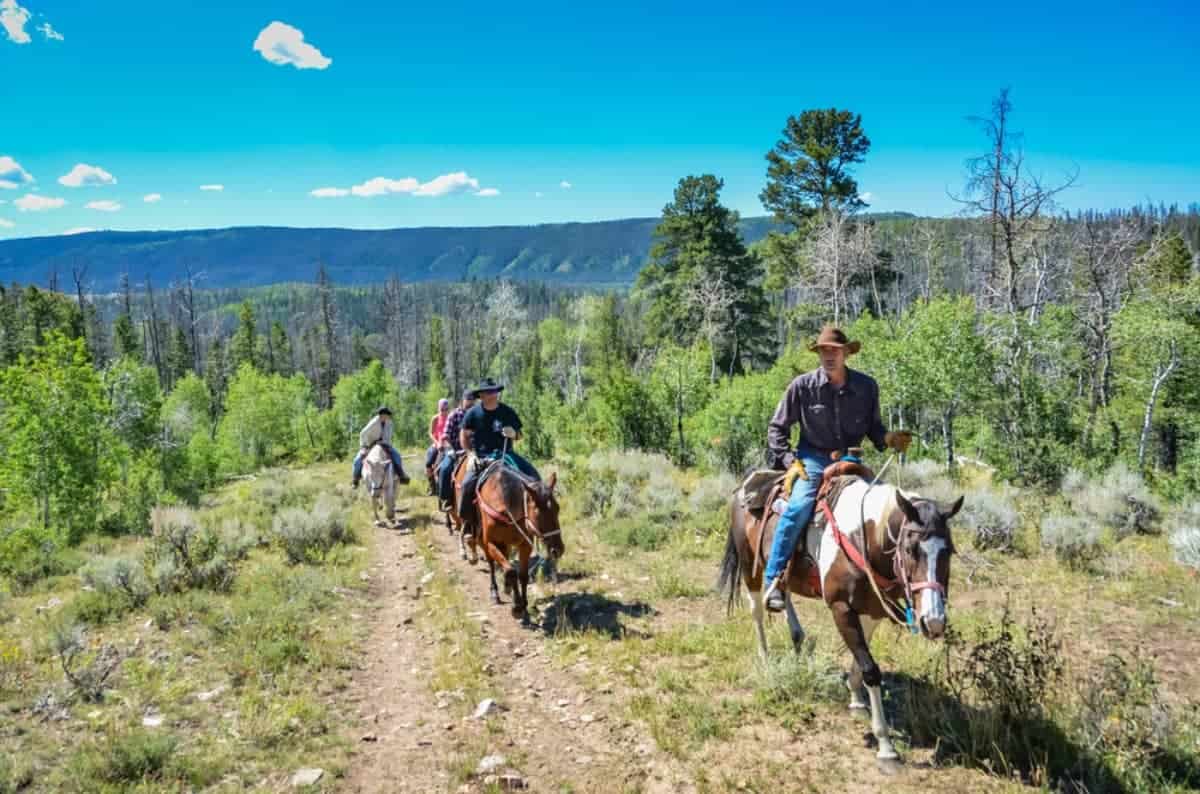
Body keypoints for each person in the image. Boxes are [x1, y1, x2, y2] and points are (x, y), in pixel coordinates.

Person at [762, 326, 912, 613]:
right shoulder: (802, 386)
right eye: (823, 350)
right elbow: (777, 428)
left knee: (884, 508)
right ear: (818, 354)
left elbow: (874, 428)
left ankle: (892, 582)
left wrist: (889, 439)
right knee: (799, 507)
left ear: (846, 353)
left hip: (851, 460)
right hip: (813, 460)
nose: (829, 355)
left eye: (834, 350)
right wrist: (787, 461)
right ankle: (775, 580)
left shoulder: (867, 387)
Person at [456, 377, 539, 526]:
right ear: (481, 395)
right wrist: (471, 454)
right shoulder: (472, 414)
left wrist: (514, 434)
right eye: (489, 392)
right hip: (481, 457)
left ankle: (537, 522)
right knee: (467, 484)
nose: (493, 394)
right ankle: (467, 523)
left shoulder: (507, 412)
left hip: (506, 455)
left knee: (534, 476)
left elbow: (520, 435)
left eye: (495, 391)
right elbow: (464, 436)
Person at [351, 406, 411, 488]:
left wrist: (384, 443)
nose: (387, 417)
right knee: (357, 460)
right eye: (386, 415)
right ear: (381, 415)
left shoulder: (389, 423)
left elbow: (388, 436)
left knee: (396, 455)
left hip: (384, 444)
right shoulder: (374, 422)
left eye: (388, 415)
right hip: (370, 444)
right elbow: (362, 433)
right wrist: (363, 447)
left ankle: (401, 475)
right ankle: (355, 479)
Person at [436, 390, 477, 508]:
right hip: (456, 450)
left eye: (472, 402)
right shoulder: (454, 415)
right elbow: (446, 435)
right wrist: (451, 450)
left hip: (473, 452)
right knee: (444, 469)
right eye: (468, 401)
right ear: (462, 401)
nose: (470, 404)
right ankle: (446, 498)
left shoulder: (475, 415)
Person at [425, 398, 451, 487]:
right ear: (438, 408)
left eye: (446, 409)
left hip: (448, 445)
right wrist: (437, 443)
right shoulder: (435, 418)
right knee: (428, 463)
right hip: (437, 444)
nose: (444, 412)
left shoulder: (450, 418)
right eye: (442, 409)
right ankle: (431, 484)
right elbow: (431, 433)